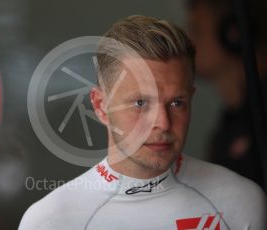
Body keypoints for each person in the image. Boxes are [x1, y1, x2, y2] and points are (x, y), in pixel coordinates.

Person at [19, 15, 266, 229]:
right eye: (140, 103)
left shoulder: (241, 202)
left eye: (176, 103)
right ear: (100, 106)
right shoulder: (51, 221)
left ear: (191, 99)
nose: (163, 123)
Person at [186, 0, 267, 189]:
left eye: (196, 29)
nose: (188, 41)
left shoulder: (259, 118)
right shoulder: (229, 125)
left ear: (233, 33)